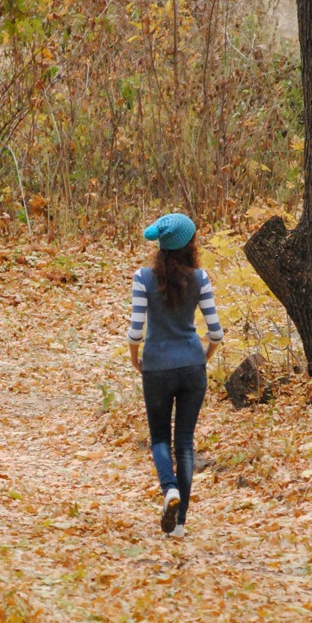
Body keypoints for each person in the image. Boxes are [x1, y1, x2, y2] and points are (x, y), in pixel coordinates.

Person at [127, 212, 223, 538]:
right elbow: (216, 332)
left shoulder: (142, 278)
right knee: (185, 442)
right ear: (189, 244)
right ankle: (179, 524)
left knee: (158, 438)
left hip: (156, 367)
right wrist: (203, 357)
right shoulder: (201, 278)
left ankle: (169, 489)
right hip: (192, 367)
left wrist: (135, 358)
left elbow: (136, 330)